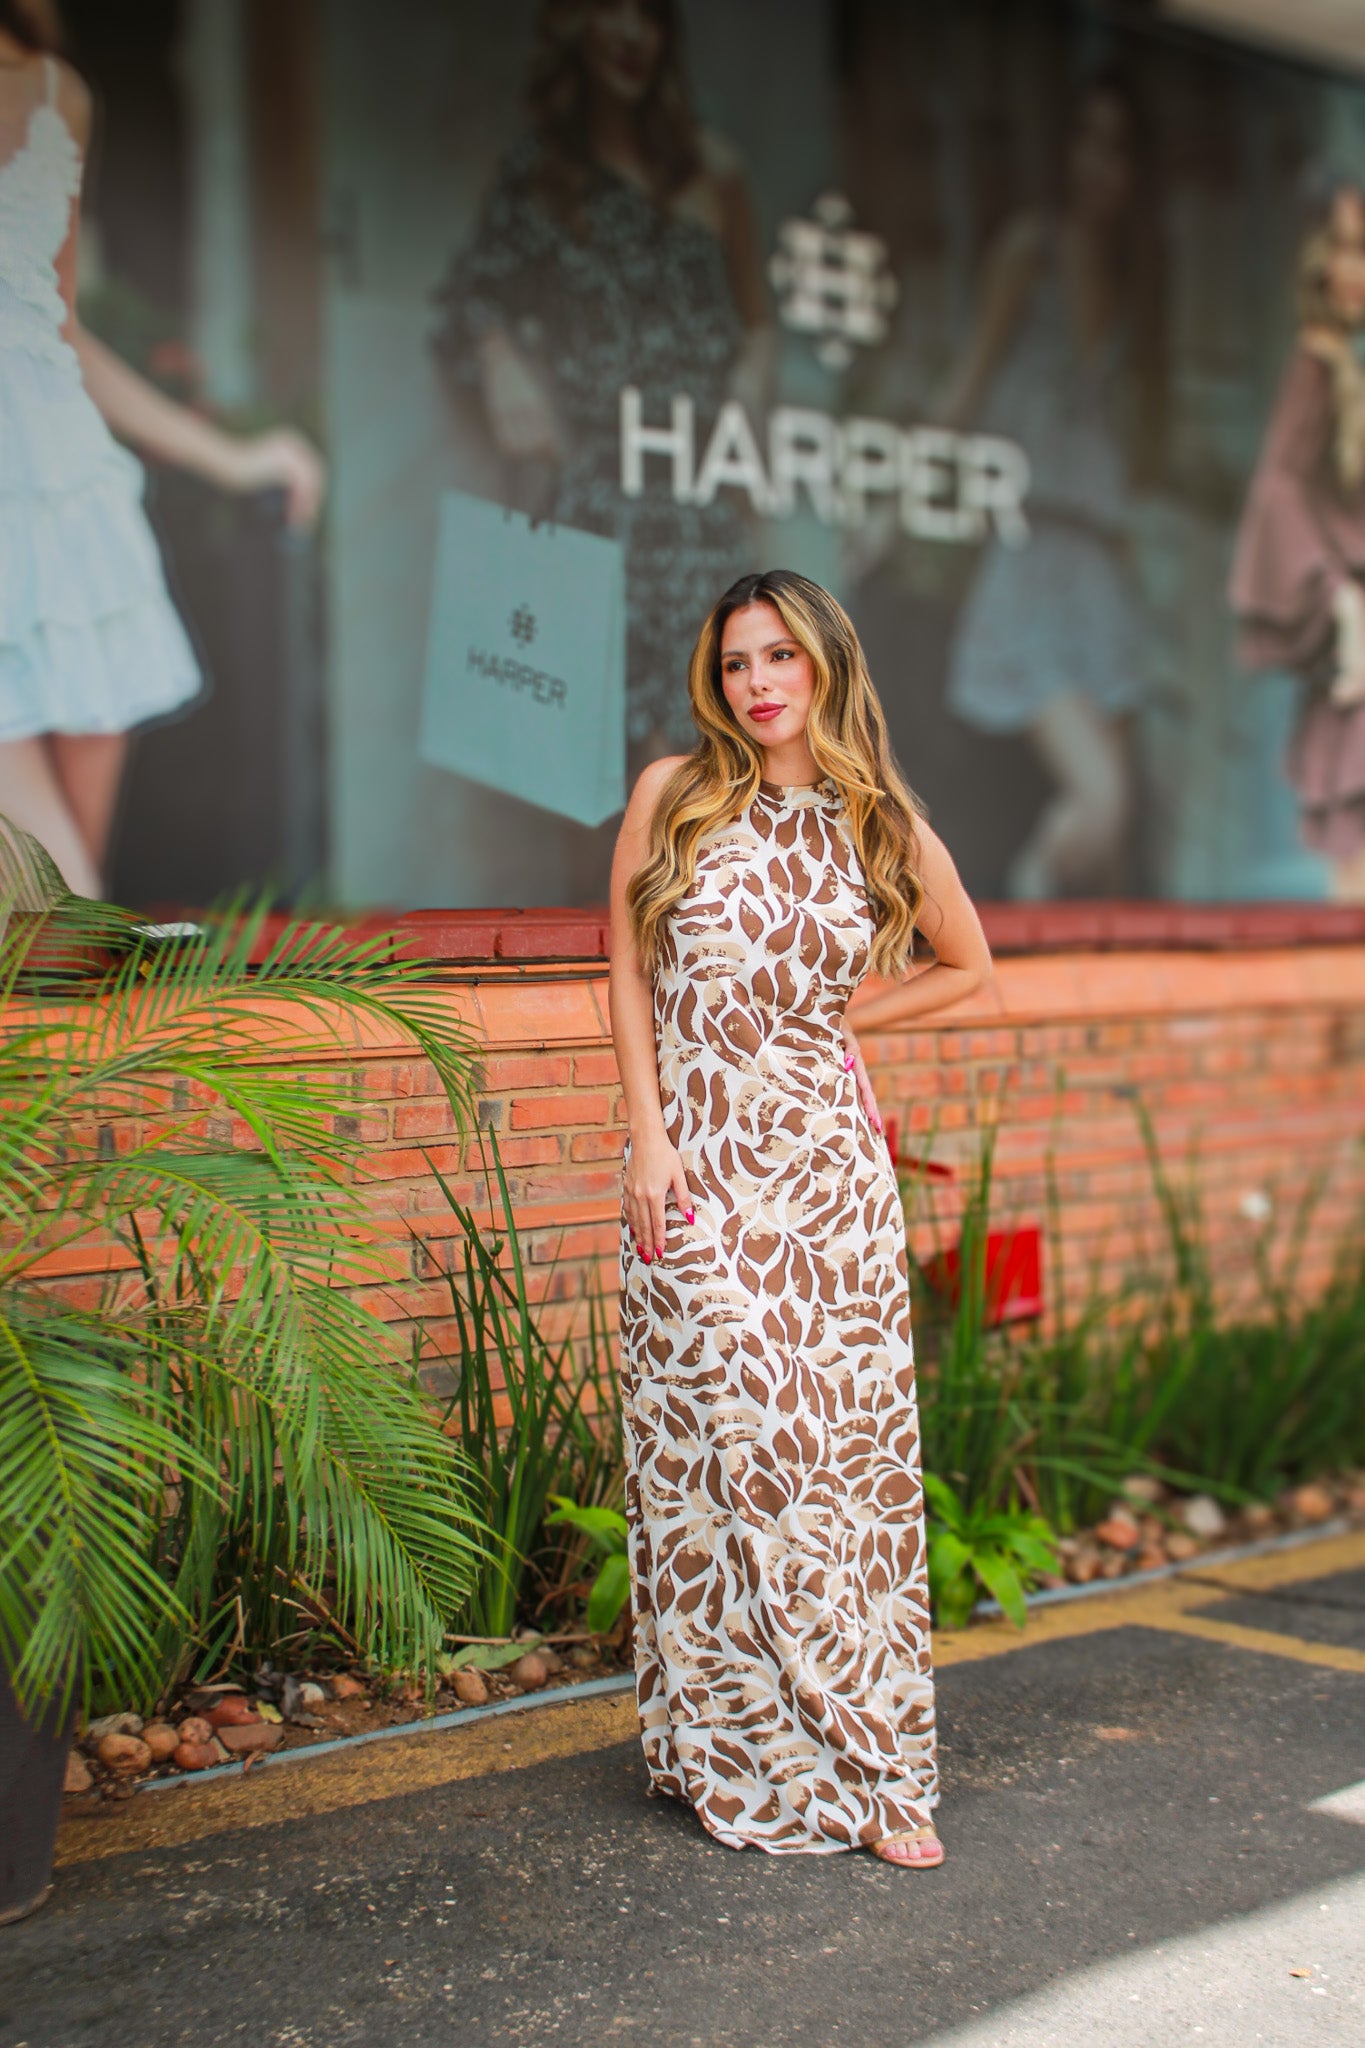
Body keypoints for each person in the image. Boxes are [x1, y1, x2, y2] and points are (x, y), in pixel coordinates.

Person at [609, 569, 992, 1862]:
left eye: (779, 656)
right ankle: (724, 1742)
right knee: (718, 1454)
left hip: (827, 1183)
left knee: (836, 1468)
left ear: (825, 663)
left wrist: (844, 1017)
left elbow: (968, 964)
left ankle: (871, 1763)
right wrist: (648, 1135)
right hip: (695, 1170)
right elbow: (626, 965)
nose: (758, 682)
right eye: (736, 663)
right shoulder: (674, 794)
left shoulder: (877, 819)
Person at [0, 0, 324, 898]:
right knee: (62, 907)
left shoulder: (57, 92)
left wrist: (237, 458)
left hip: (67, 514)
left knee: (50, 921)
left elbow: (56, 331)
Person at [432, 0, 775, 776]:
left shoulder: (711, 169)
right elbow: (466, 302)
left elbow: (758, 323)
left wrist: (749, 390)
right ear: (575, 25)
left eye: (648, 15)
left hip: (700, 496)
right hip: (599, 501)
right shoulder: (544, 173)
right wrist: (500, 361)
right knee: (604, 764)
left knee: (711, 754)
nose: (630, 33)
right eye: (611, 9)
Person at [936, 67, 1166, 899]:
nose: (1101, 166)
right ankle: (1015, 910)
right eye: (1088, 142)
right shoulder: (1028, 252)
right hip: (1028, 557)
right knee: (1100, 800)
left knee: (1119, 847)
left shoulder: (1137, 281)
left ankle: (1085, 961)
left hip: (1101, 571)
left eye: (1119, 149)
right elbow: (961, 395)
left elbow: (1143, 449)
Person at [1229, 182, 1365, 903]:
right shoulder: (1320, 362)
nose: (1352, 269)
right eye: (1342, 248)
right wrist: (1339, 600)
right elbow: (1278, 488)